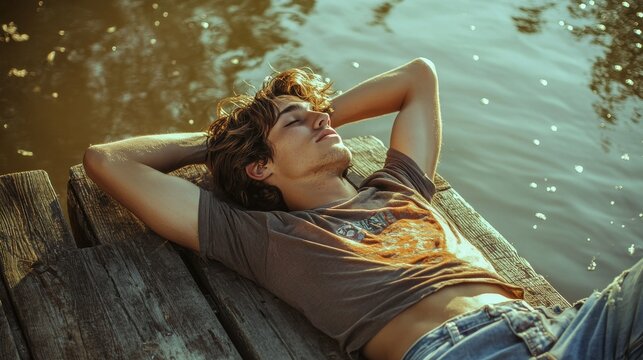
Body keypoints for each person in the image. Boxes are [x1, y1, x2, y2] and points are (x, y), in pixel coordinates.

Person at [83, 58, 641, 360]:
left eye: (319, 113)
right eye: (296, 123)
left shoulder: (397, 185)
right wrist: (226, 142)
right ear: (261, 168)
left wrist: (307, 117)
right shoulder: (265, 237)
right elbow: (107, 160)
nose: (323, 120)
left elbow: (416, 78)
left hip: (568, 327)